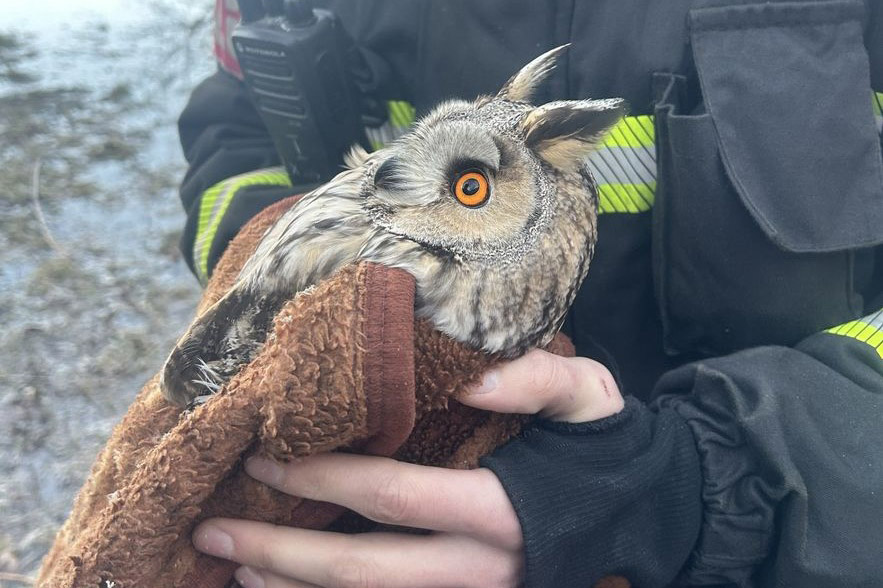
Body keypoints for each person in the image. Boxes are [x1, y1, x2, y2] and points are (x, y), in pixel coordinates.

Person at [178, 1, 883, 586]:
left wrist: (700, 485)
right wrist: (282, 287)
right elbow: (239, 136)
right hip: (360, 525)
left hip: (769, 548)